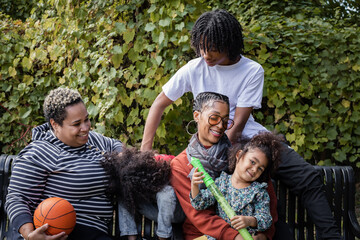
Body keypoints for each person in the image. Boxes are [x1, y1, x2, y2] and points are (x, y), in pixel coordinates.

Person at [142, 9, 341, 239]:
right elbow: (158, 104)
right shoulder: (194, 68)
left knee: (307, 178)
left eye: (213, 47)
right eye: (202, 47)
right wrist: (145, 151)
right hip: (212, 141)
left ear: (230, 43)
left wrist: (233, 158)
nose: (206, 54)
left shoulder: (252, 70)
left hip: (250, 140)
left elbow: (236, 128)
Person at [5, 87, 123, 240]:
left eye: (86, 119)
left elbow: (115, 145)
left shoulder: (91, 139)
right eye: (76, 124)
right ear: (54, 124)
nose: (85, 128)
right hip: (59, 232)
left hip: (96, 231)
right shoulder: (40, 152)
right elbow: (17, 197)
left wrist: (122, 160)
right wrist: (29, 235)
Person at [171, 92, 278, 240]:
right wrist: (235, 237)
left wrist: (264, 235)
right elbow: (200, 215)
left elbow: (267, 200)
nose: (221, 126)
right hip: (204, 235)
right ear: (197, 116)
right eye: (214, 118)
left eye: (226, 120)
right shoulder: (181, 164)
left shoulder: (240, 154)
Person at [190, 132, 283, 239]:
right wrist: (195, 186)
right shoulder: (222, 183)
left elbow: (266, 220)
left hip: (246, 237)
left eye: (260, 169)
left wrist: (249, 221)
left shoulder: (258, 192)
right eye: (253, 162)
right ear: (239, 155)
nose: (254, 169)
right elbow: (199, 203)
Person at [101, 148, 185, 240]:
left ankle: (163, 237)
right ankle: (130, 237)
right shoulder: (130, 176)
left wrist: (163, 236)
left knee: (165, 192)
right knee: (124, 194)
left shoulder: (164, 163)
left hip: (177, 211)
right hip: (155, 208)